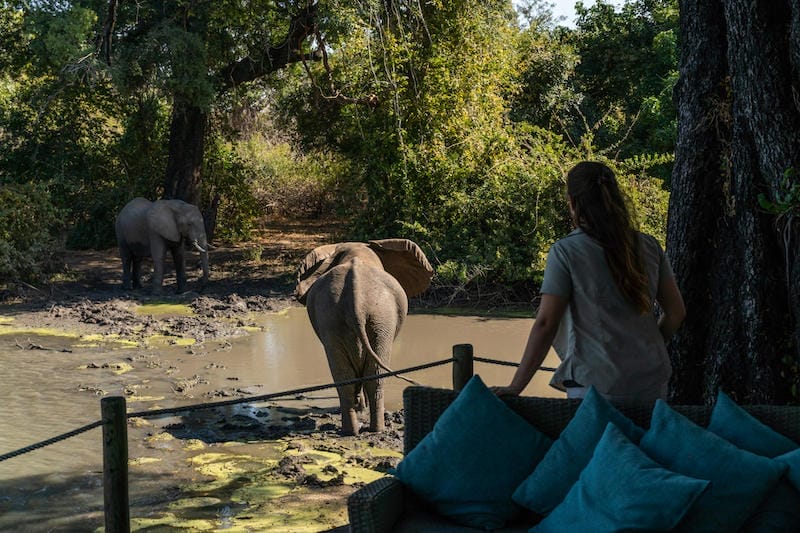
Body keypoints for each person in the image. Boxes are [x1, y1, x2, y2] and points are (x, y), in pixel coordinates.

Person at [493, 161, 686, 405]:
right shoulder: (649, 246)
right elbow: (676, 312)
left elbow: (545, 323)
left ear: (573, 204)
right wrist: (648, 351)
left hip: (597, 387)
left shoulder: (565, 252)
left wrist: (515, 386)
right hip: (652, 381)